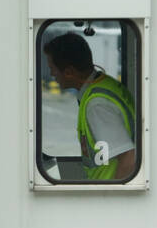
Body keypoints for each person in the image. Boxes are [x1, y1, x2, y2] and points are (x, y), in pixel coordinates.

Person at [43, 32, 136, 181]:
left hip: (107, 195)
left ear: (69, 72)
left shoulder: (97, 104)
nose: (51, 74)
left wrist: (113, 200)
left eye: (52, 68)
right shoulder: (106, 85)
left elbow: (129, 159)